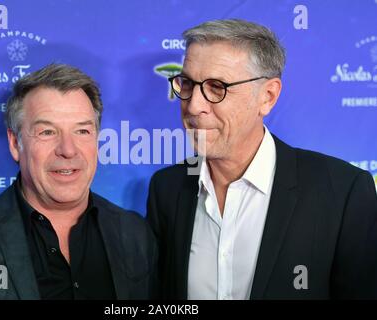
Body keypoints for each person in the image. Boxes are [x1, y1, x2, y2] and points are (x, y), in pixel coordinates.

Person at [147, 19, 377, 299]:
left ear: (267, 97)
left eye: (216, 87)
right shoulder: (166, 188)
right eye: (187, 84)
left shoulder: (342, 193)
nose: (193, 106)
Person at [0, 63, 157, 300]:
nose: (68, 150)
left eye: (82, 131)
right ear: (15, 144)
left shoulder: (135, 234)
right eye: (47, 132)